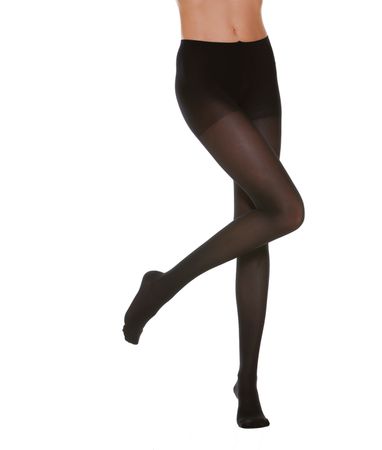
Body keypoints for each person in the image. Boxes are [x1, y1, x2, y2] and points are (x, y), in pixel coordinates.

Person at [122, 0, 305, 429]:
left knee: (258, 224)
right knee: (286, 211)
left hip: (259, 62)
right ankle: (160, 290)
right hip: (205, 72)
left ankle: (248, 381)